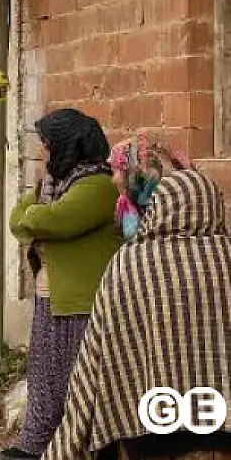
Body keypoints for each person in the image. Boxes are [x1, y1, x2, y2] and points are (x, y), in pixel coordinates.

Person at [44, 135, 231, 460]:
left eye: (120, 173)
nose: (115, 180)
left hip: (149, 432)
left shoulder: (130, 263)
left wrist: (64, 449)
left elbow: (91, 367)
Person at [0, 108, 122, 460]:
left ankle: (85, 449)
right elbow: (19, 220)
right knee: (45, 381)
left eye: (47, 144)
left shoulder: (99, 185)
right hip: (52, 298)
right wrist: (36, 213)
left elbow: (56, 222)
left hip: (84, 303)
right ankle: (32, 447)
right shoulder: (56, 184)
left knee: (82, 383)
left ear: (67, 144)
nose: (44, 152)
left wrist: (36, 216)